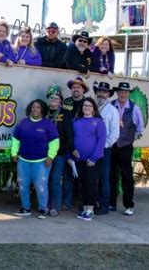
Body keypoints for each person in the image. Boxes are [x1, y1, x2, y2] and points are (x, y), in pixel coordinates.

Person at [12, 99, 59, 219]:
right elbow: (16, 139)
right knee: (23, 185)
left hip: (41, 162)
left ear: (42, 110)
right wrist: (14, 153)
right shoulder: (23, 123)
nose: (35, 109)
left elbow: (54, 142)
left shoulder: (48, 124)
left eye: (38, 107)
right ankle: (25, 208)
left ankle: (43, 209)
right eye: (33, 107)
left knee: (41, 186)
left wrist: (51, 156)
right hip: (23, 161)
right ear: (30, 109)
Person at [110, 82, 144, 216]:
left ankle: (129, 205)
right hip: (112, 145)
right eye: (121, 92)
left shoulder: (134, 108)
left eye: (125, 92)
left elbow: (140, 128)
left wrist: (129, 139)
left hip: (125, 146)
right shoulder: (111, 105)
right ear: (117, 93)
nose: (123, 94)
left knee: (126, 176)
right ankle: (111, 202)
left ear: (128, 94)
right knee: (111, 175)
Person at [72, 98, 106, 221]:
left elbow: (101, 140)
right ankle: (85, 208)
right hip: (78, 159)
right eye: (85, 105)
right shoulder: (75, 121)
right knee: (83, 184)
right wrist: (72, 151)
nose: (87, 108)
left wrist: (94, 157)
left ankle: (90, 210)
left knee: (91, 184)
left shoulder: (98, 122)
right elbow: (71, 137)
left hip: (93, 160)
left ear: (94, 108)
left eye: (89, 106)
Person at [62, 76, 89, 210]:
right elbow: (67, 123)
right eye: (73, 87)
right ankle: (67, 203)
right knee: (67, 175)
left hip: (83, 143)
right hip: (69, 142)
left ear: (83, 89)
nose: (76, 89)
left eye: (78, 87)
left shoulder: (88, 103)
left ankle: (81, 203)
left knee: (83, 176)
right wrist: (71, 146)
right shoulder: (67, 102)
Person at [93, 82, 120, 215]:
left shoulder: (113, 110)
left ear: (109, 94)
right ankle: (92, 203)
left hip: (104, 149)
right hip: (90, 149)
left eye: (104, 92)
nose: (101, 94)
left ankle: (104, 205)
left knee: (104, 177)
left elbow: (115, 133)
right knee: (91, 177)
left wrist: (103, 145)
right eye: (99, 91)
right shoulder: (91, 107)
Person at [45, 86, 67, 217]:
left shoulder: (65, 114)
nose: (54, 100)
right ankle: (45, 205)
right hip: (43, 152)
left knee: (55, 178)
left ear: (60, 101)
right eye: (52, 97)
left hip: (59, 153)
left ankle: (55, 206)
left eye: (57, 98)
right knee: (44, 179)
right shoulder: (43, 112)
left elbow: (69, 133)